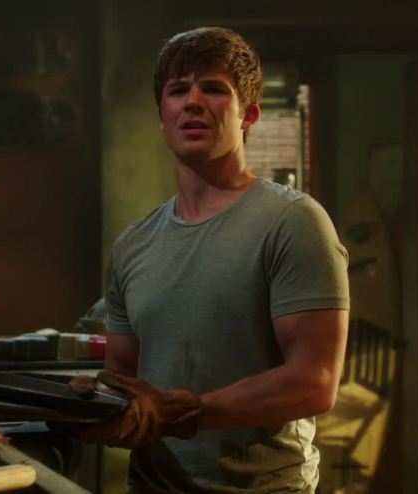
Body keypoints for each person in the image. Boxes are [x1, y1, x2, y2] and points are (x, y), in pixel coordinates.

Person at [65, 27, 350, 493]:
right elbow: (123, 381)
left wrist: (191, 412)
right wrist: (88, 407)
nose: (193, 102)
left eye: (214, 89)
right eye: (178, 90)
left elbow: (315, 381)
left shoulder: (294, 222)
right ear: (162, 117)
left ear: (249, 115)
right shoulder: (133, 244)